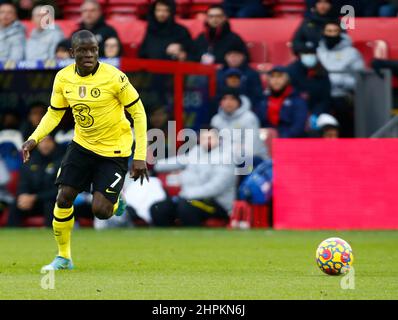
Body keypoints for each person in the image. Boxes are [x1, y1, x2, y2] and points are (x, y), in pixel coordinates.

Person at [22, 30, 148, 270]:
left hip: (114, 151)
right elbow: (55, 112)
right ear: (72, 53)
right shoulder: (63, 77)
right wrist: (34, 138)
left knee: (101, 212)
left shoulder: (115, 77)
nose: (89, 55)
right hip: (82, 146)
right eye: (83, 50)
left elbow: (139, 114)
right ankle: (63, 257)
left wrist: (140, 156)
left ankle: (114, 200)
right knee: (64, 196)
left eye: (93, 50)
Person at [151, 127, 236, 226]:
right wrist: (155, 165)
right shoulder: (196, 152)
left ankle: (194, 240)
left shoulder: (226, 157)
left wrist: (187, 194)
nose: (207, 141)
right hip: (190, 199)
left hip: (217, 204)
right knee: (158, 208)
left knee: (186, 207)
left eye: (210, 138)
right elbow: (179, 161)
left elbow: (215, 188)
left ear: (219, 139)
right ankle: (166, 240)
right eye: (204, 138)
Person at [317, 21, 365, 137]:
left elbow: (360, 77)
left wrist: (339, 81)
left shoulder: (352, 53)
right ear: (323, 33)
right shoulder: (319, 51)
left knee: (343, 117)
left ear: (340, 33)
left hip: (343, 95)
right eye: (329, 31)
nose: (332, 34)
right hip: (322, 95)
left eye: (335, 31)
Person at [7, 135, 62, 227]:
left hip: (49, 201)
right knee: (16, 204)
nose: (45, 145)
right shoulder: (30, 162)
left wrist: (35, 197)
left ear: (54, 143)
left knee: (50, 205)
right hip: (31, 203)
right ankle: (12, 235)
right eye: (42, 142)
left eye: (48, 141)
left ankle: (51, 234)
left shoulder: (61, 162)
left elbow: (59, 190)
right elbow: (22, 184)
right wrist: (23, 195)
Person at [210, 88, 268, 163]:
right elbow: (211, 146)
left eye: (232, 99)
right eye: (224, 99)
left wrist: (224, 150)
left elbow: (251, 149)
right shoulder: (216, 120)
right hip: (224, 160)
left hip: (253, 160)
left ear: (239, 102)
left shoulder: (249, 118)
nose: (228, 102)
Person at [258, 66, 308, 138]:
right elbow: (257, 122)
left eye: (280, 76)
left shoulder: (297, 100)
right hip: (266, 138)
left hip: (288, 140)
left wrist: (280, 137)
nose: (276, 80)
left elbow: (298, 127)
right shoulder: (262, 100)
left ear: (287, 79)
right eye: (272, 77)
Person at [287, 42, 332, 116]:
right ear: (300, 55)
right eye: (306, 53)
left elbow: (325, 99)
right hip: (294, 112)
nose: (309, 56)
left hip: (317, 112)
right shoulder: (291, 71)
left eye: (312, 53)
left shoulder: (322, 72)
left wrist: (316, 114)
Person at [217, 45, 264, 110]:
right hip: (222, 110)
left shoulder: (252, 74)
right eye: (229, 55)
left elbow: (258, 96)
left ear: (243, 56)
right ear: (225, 57)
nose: (233, 57)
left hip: (247, 110)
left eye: (236, 55)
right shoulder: (219, 74)